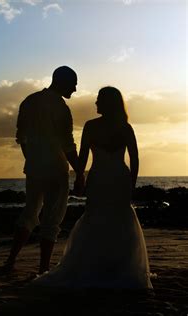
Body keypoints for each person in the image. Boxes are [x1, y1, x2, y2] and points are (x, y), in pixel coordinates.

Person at [32, 86, 153, 289]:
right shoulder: (125, 127)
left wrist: (79, 177)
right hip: (119, 177)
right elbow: (134, 158)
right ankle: (120, 266)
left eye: (99, 100)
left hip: (98, 178)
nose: (95, 103)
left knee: (96, 217)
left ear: (107, 103)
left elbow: (83, 159)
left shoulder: (91, 126)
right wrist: (131, 182)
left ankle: (95, 264)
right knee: (119, 219)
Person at [0, 66, 85, 275]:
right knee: (52, 219)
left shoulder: (29, 101)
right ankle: (43, 268)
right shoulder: (62, 109)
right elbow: (68, 145)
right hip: (56, 167)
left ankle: (11, 262)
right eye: (73, 84)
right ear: (62, 81)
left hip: (35, 167)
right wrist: (80, 171)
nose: (75, 89)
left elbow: (22, 137)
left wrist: (32, 158)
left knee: (29, 212)